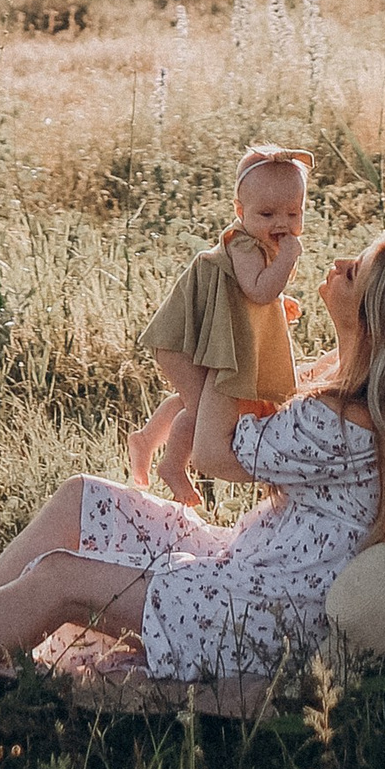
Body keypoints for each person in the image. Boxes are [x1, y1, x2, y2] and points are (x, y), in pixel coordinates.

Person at [0, 230, 385, 684]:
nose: (338, 264)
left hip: (253, 617)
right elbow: (253, 403)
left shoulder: (341, 423)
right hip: (253, 570)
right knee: (81, 497)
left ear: (372, 320)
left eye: (354, 271)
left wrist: (239, 317)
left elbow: (213, 451)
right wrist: (250, 337)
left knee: (62, 576)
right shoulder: (365, 399)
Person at [128, 143, 310, 509]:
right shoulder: (244, 244)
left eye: (293, 213)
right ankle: (174, 466)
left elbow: (246, 294)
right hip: (182, 340)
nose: (281, 224)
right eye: (267, 213)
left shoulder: (256, 240)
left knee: (193, 399)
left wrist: (277, 303)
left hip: (190, 338)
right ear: (239, 211)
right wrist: (287, 262)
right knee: (201, 413)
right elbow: (258, 290)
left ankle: (147, 439)